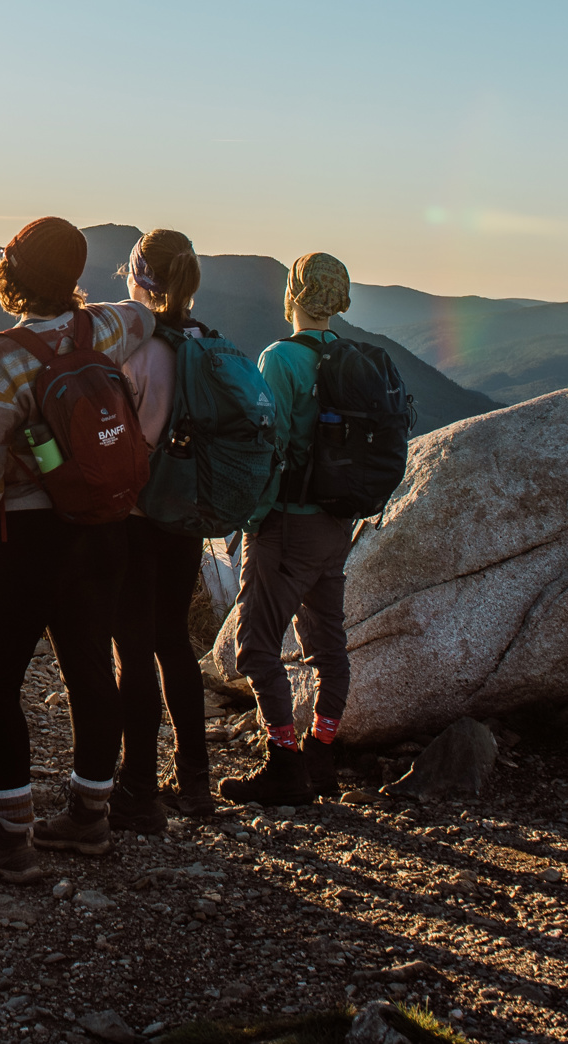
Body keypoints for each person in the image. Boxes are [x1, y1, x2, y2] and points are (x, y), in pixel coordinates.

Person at [0, 217, 155, 879]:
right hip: (101, 530)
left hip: (23, 541)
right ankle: (87, 818)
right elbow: (145, 316)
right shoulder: (101, 329)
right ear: (70, 279)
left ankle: (11, 840)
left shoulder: (2, 355)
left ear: (9, 273)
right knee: (91, 671)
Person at [219, 251, 357, 807]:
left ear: (292, 296)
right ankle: (322, 756)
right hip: (335, 523)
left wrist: (250, 517)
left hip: (285, 525)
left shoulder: (280, 359)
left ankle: (284, 764)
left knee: (255, 648)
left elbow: (265, 445)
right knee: (328, 644)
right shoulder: (353, 359)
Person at [108, 229, 217, 831]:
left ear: (141, 278)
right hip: (188, 515)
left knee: (134, 647)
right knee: (175, 641)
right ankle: (195, 779)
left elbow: (121, 442)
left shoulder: (138, 353)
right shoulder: (209, 345)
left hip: (135, 515)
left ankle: (138, 786)